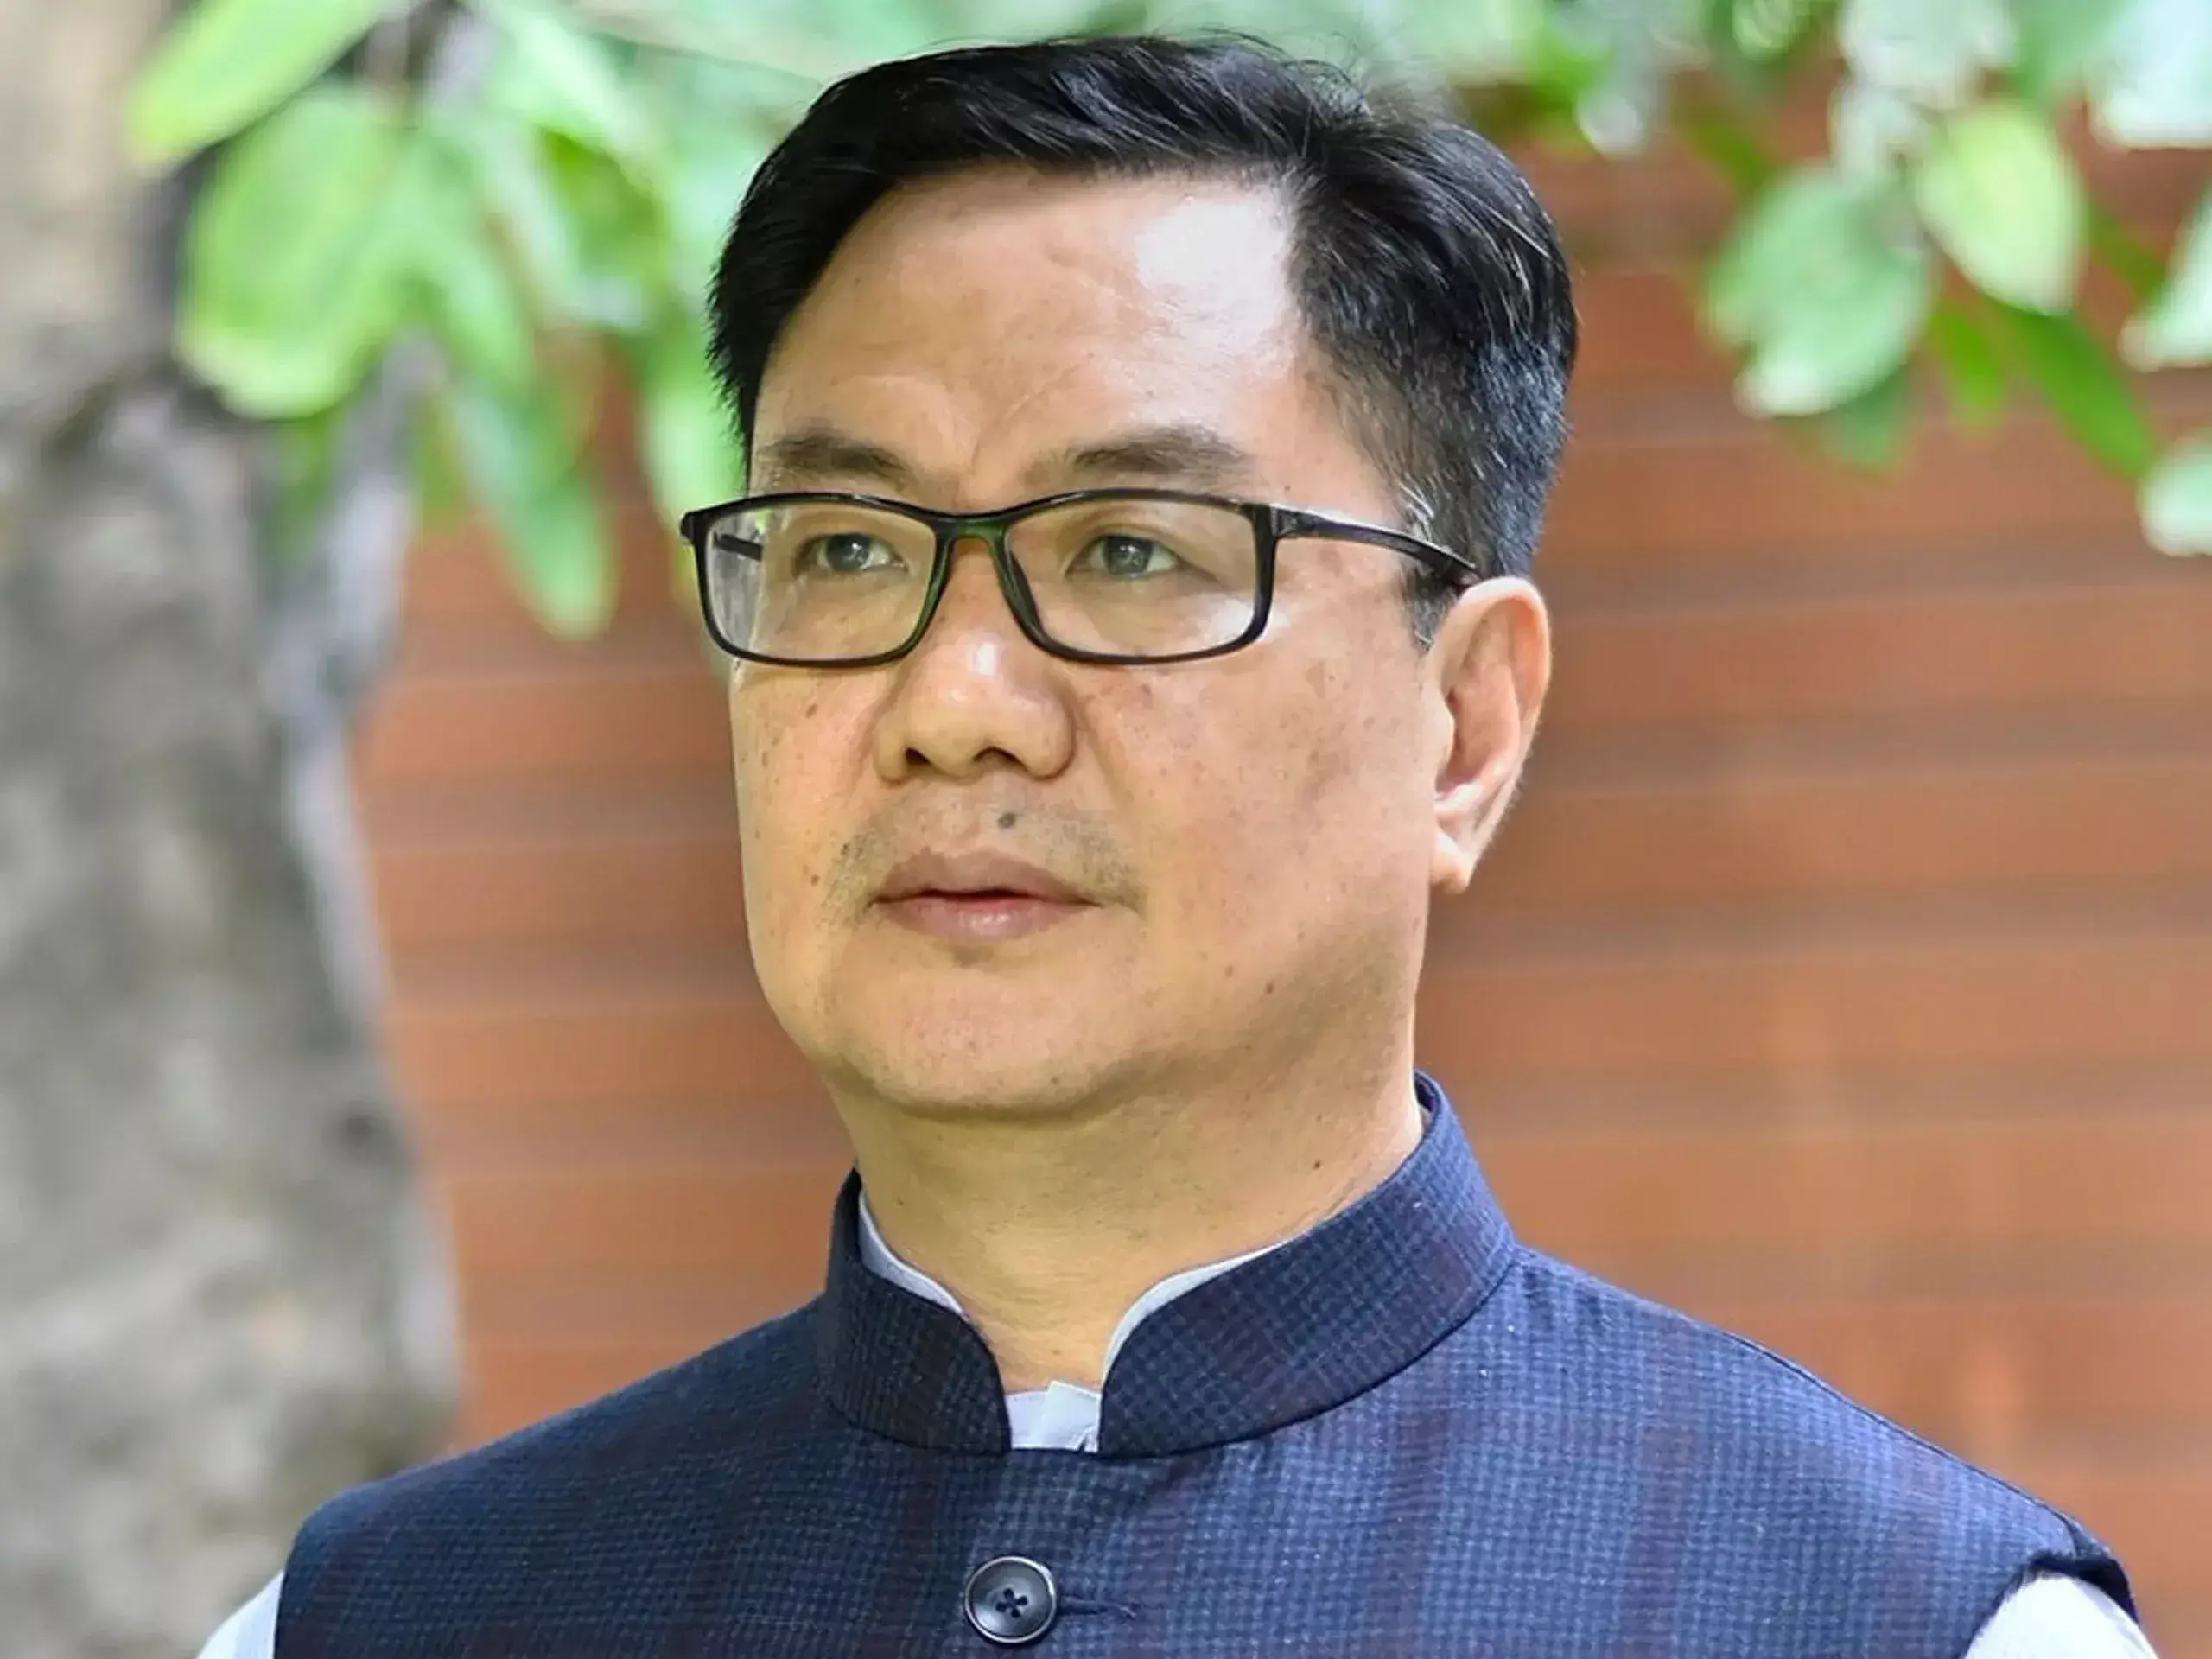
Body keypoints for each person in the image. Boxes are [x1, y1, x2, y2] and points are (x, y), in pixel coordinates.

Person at [200, 34, 2155, 1658]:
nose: (954, 700)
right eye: (848, 548)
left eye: (1131, 552)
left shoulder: (1900, 1620)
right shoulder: (374, 1622)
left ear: (1465, 727)